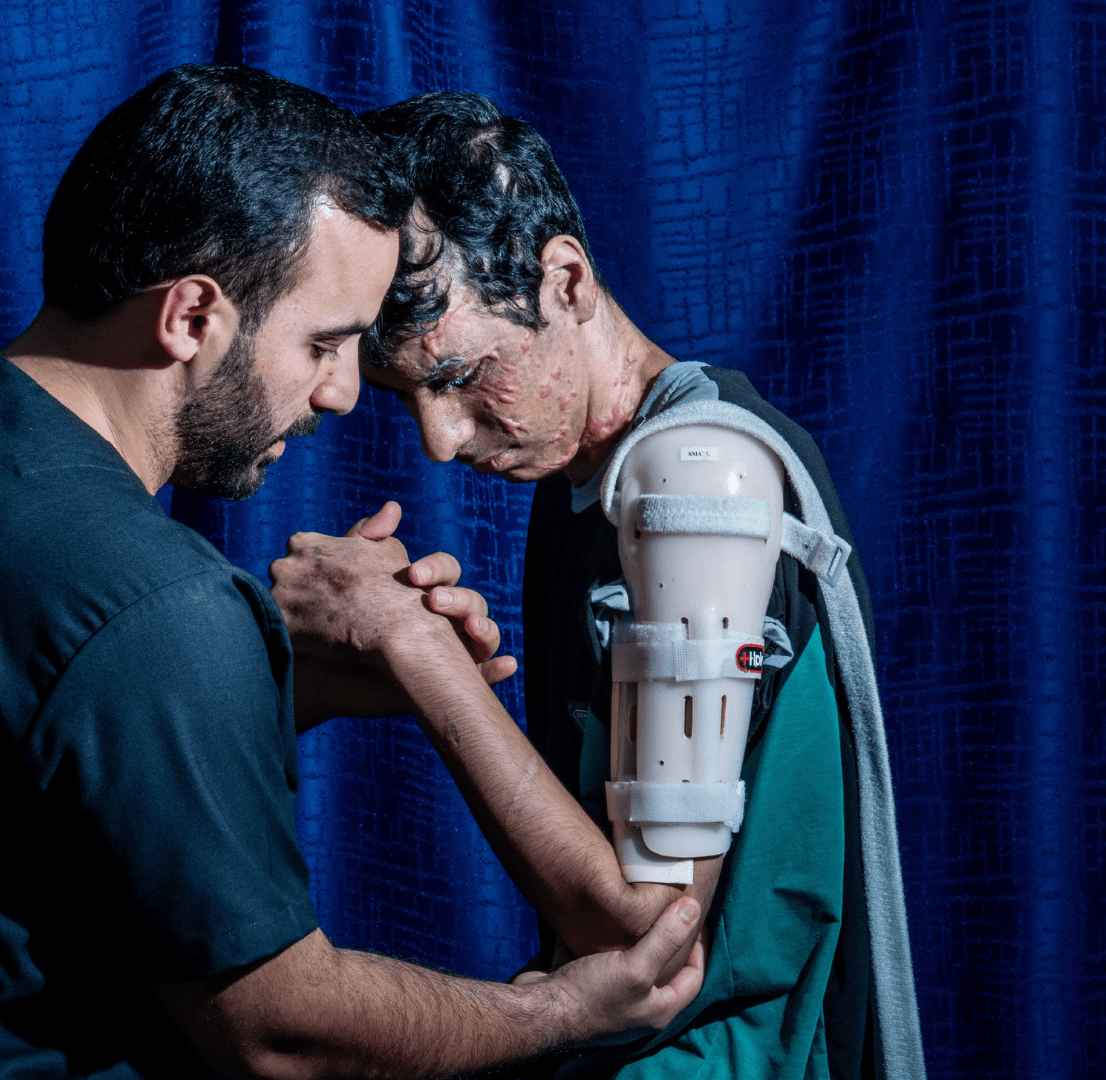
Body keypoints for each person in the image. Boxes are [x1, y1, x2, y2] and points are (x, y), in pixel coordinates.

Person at [0, 66, 709, 1080]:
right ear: (193, 315)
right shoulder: (153, 603)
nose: (340, 397)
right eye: (324, 344)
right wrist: (563, 1010)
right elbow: (277, 1034)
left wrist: (286, 681)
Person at [269, 93, 924, 1080]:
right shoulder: (589, 486)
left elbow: (647, 936)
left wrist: (411, 647)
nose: (440, 443)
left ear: (564, 278)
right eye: (409, 398)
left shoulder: (698, 477)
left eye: (458, 375)